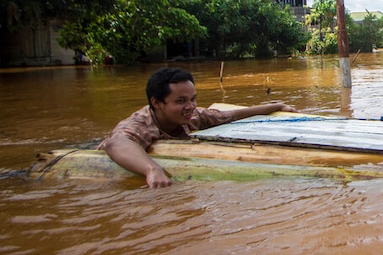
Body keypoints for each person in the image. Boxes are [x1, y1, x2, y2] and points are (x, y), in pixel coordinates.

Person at [99, 67, 298, 188]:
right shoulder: (141, 123)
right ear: (157, 103)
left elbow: (230, 115)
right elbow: (117, 142)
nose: (190, 107)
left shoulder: (191, 116)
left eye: (193, 99)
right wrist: (152, 169)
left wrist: (277, 106)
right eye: (181, 101)